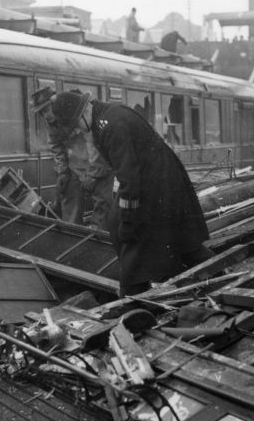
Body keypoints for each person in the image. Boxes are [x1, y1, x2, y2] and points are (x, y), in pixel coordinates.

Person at [50, 90, 213, 296]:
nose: (80, 130)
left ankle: (133, 292)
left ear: (85, 110)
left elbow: (129, 177)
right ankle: (212, 272)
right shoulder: (107, 116)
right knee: (180, 239)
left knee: (131, 236)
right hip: (159, 179)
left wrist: (128, 220)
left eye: (77, 124)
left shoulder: (111, 126)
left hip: (156, 182)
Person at [30, 87, 114, 230]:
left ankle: (101, 241)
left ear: (54, 104)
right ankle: (72, 237)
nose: (45, 116)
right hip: (76, 168)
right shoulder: (51, 123)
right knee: (69, 205)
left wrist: (93, 175)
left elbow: (92, 143)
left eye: (46, 110)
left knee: (102, 207)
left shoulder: (73, 111)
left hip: (100, 165)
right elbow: (56, 145)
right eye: (41, 113)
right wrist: (62, 171)